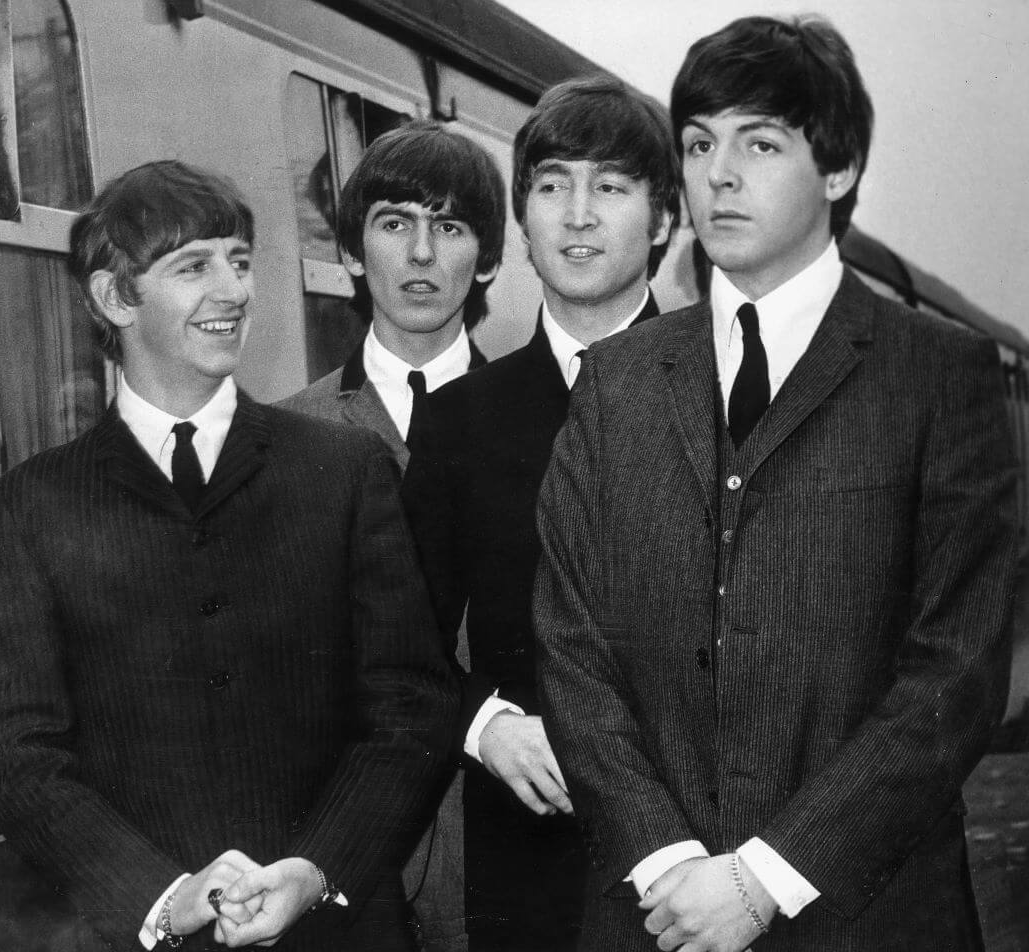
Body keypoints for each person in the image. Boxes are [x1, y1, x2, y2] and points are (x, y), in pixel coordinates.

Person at [535, 15, 1018, 952]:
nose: (718, 173)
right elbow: (569, 642)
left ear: (836, 171)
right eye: (699, 143)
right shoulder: (615, 383)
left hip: (868, 917)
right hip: (654, 915)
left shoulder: (940, 379)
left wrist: (766, 875)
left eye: (760, 143)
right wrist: (667, 858)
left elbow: (956, 672)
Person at [0, 160, 457, 952]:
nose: (232, 291)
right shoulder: (36, 503)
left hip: (336, 930)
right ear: (113, 298)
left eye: (238, 260)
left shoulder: (342, 469)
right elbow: (15, 748)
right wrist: (160, 898)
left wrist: (315, 868)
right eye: (193, 267)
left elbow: (410, 706)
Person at [400, 75, 679, 952]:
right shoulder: (458, 420)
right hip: (529, 874)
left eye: (612, 186)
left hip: (704, 876)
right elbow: (395, 643)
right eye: (553, 185)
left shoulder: (733, 406)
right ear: (522, 222)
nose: (578, 214)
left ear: (665, 219)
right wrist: (486, 727)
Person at [282, 118, 505, 470]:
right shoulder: (288, 432)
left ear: (487, 260)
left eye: (447, 227)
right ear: (353, 254)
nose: (421, 252)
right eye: (395, 225)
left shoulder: (544, 420)